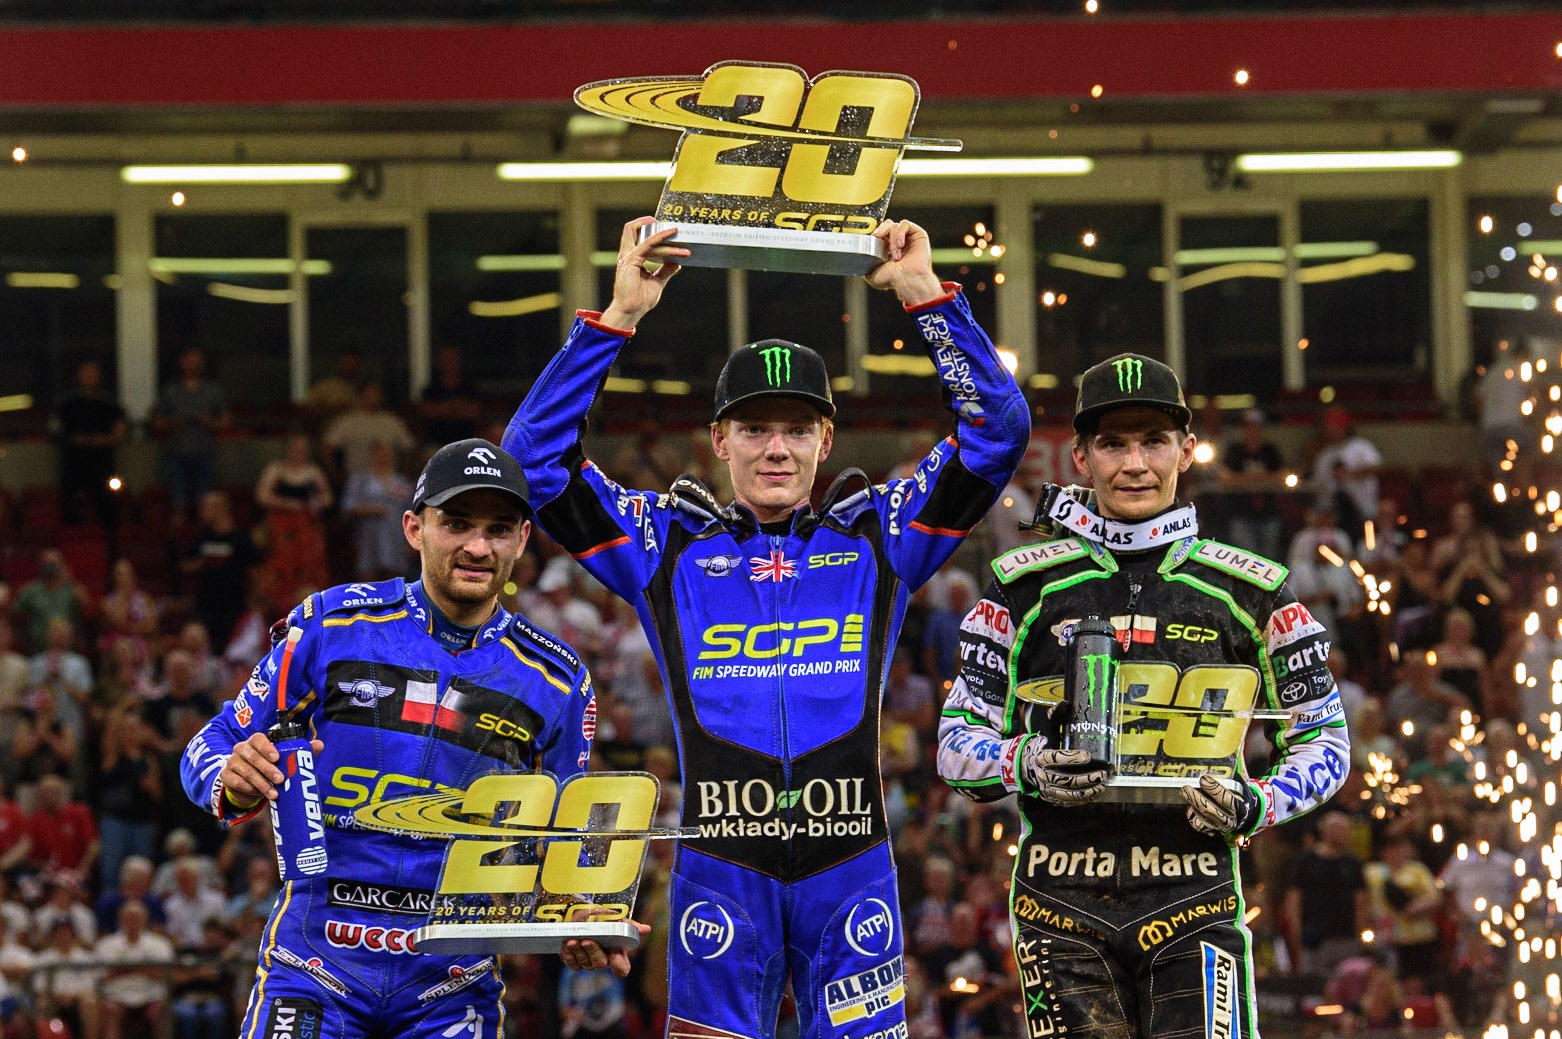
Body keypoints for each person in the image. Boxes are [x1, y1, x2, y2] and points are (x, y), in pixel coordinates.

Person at [506, 217, 1029, 1039]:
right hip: (721, 874)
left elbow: (998, 434)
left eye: (796, 428)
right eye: (753, 428)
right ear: (719, 439)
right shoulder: (663, 543)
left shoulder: (878, 536)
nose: (775, 449)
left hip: (850, 870)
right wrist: (618, 316)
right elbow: (531, 462)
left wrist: (928, 298)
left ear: (827, 438)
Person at [937, 352, 1350, 1039]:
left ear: (1187, 450)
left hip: (1196, 897)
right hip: (1058, 903)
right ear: (1080, 455)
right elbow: (954, 744)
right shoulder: (1019, 586)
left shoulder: (1254, 589)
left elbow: (1327, 739)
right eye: (1113, 443)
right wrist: (1025, 761)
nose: (1135, 463)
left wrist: (1258, 800)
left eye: (1153, 441)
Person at [179, 438, 631, 1038]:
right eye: (457, 524)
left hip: (452, 983)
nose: (477, 546)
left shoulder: (558, 679)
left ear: (523, 541)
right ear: (415, 528)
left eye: (499, 529)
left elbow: (570, 841)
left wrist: (583, 918)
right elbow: (208, 744)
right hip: (314, 962)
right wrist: (230, 776)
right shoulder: (330, 625)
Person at [153, 348, 231, 521]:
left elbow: (226, 420)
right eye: (188, 360)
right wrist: (175, 422)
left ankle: (204, 540)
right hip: (177, 454)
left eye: (196, 361)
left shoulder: (213, 390)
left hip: (205, 454)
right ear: (181, 363)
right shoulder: (171, 390)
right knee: (178, 503)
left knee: (205, 504)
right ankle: (177, 542)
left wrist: (207, 422)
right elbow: (157, 421)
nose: (192, 365)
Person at [51, 359, 127, 528]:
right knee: (72, 507)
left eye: (93, 374)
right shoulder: (65, 403)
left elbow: (120, 434)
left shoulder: (110, 404)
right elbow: (55, 432)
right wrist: (74, 439)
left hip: (103, 465)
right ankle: (73, 546)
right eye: (86, 374)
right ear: (78, 376)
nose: (89, 378)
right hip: (74, 464)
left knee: (107, 505)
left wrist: (100, 440)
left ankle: (109, 548)